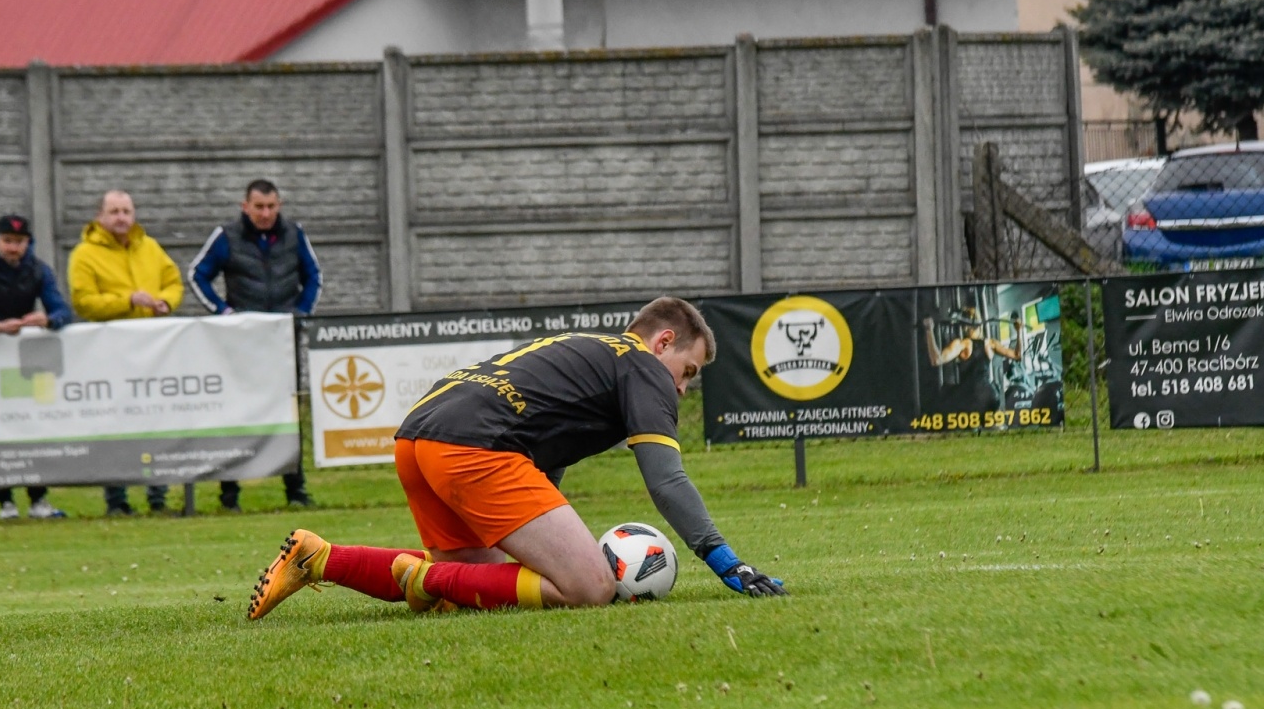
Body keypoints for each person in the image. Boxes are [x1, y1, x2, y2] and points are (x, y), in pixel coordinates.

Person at [245, 297, 784, 621]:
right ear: (664, 342)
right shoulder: (642, 366)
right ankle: (426, 577)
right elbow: (666, 480)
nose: (684, 390)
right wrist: (725, 561)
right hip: (472, 445)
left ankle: (319, 559)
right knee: (589, 588)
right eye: (688, 372)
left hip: (418, 438)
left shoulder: (589, 347)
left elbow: (546, 453)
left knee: (489, 587)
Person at [187, 178, 321, 511]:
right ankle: (229, 494)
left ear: (280, 205)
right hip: (241, 342)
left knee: (288, 413)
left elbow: (314, 276)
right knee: (236, 414)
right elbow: (197, 275)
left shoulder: (295, 234)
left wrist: (301, 312)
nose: (265, 213)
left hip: (282, 339)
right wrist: (224, 312)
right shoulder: (226, 235)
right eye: (258, 207)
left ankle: (296, 490)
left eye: (271, 206)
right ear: (244, 206)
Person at [67, 189, 184, 516]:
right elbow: (83, 301)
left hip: (153, 350)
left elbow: (173, 281)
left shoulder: (150, 247)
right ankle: (117, 499)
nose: (121, 217)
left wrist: (166, 302)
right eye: (114, 211)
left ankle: (157, 496)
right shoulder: (84, 254)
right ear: (100, 216)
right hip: (110, 353)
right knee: (115, 424)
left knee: (156, 421)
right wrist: (128, 301)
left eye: (126, 211)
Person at [0, 213, 75, 520]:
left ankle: (39, 499)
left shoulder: (38, 269)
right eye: (7, 241)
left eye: (19, 242)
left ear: (28, 243)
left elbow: (63, 309)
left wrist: (49, 320)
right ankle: (5, 500)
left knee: (33, 423)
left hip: (28, 361)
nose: (13, 248)